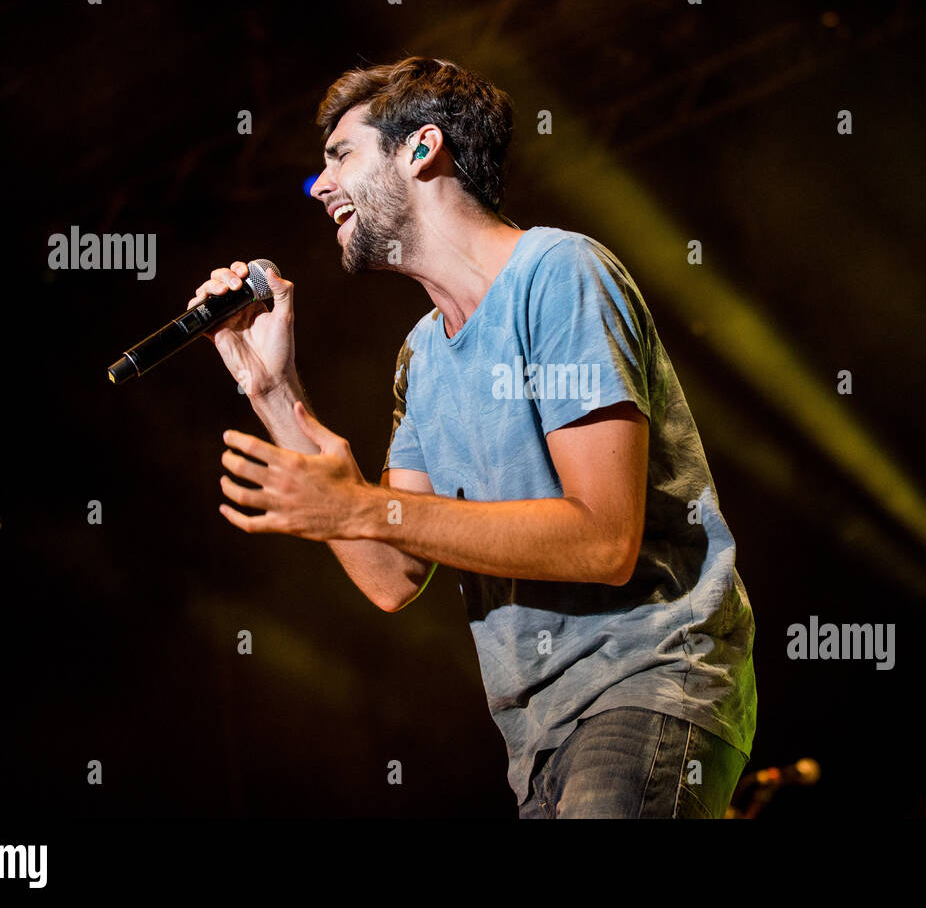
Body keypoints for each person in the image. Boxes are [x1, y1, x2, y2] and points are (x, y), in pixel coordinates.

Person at [186, 56, 756, 818]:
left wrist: (358, 507)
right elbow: (392, 574)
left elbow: (603, 539)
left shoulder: (557, 273)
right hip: (538, 739)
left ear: (421, 149)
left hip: (643, 684)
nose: (319, 188)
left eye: (340, 156)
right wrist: (273, 390)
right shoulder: (422, 356)